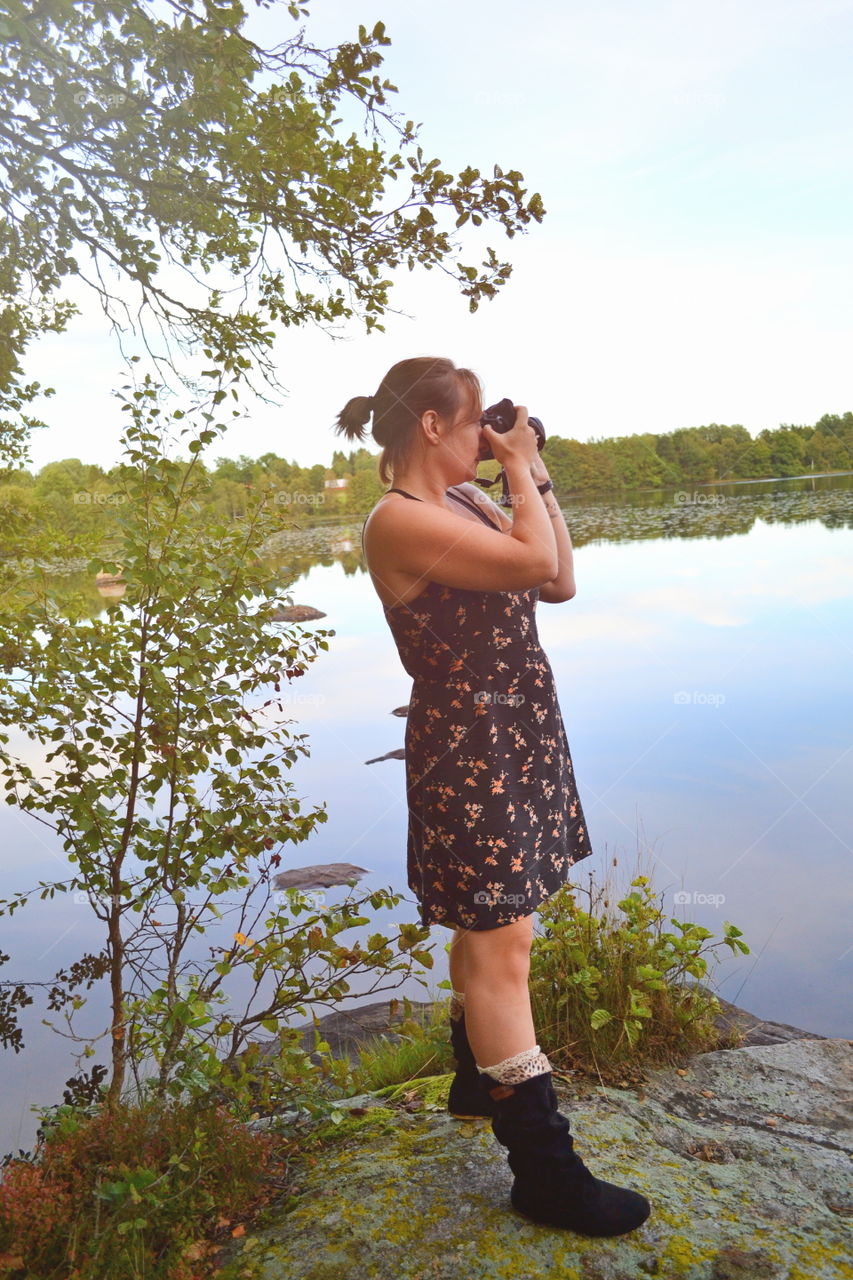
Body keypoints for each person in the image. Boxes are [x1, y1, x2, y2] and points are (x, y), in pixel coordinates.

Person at [334, 356, 650, 1238]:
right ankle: (543, 1171)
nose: (485, 436)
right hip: (469, 748)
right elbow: (529, 560)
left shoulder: (464, 502)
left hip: (514, 732)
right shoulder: (398, 520)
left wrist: (531, 472)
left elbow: (558, 577)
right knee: (503, 934)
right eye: (475, 422)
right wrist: (515, 467)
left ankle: (477, 1077)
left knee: (500, 926)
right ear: (431, 426)